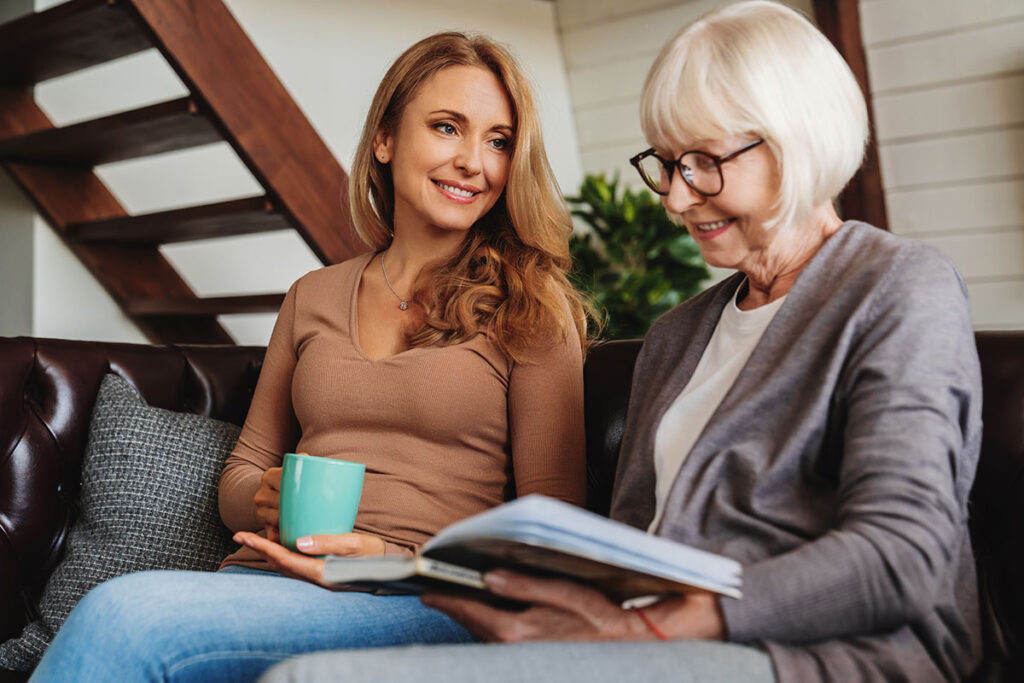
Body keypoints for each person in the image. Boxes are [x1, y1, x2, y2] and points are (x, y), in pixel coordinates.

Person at [257, 2, 983, 682]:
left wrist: (655, 629)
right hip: (650, 644)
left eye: (703, 161)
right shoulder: (678, 336)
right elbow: (632, 539)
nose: (674, 196)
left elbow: (902, 557)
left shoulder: (898, 289)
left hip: (816, 657)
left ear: (796, 138)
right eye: (666, 165)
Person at [29, 31, 589, 683]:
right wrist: (266, 499)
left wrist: (384, 556)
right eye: (446, 127)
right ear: (384, 139)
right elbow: (243, 472)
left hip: (428, 599)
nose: (474, 161)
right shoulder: (313, 294)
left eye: (499, 140)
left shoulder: (533, 303)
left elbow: (555, 536)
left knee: (125, 616)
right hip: (274, 579)